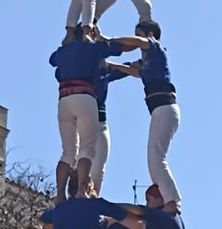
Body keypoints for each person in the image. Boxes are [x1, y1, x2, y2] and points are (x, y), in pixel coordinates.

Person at [49, 26, 146, 198]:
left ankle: (68, 194)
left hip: (69, 101)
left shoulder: (75, 56)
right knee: (88, 155)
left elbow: (54, 63)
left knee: (73, 155)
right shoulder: (96, 57)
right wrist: (143, 44)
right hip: (89, 107)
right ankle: (81, 192)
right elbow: (121, 49)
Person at [108, 19, 181, 207]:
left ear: (148, 35)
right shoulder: (149, 61)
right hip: (161, 111)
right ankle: (164, 199)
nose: (136, 41)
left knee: (157, 159)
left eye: (138, 35)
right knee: (153, 161)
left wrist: (109, 41)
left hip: (164, 108)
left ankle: (173, 202)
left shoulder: (155, 47)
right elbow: (132, 70)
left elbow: (138, 44)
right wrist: (110, 65)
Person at [91, 62, 128, 195]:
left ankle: (92, 201)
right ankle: (74, 200)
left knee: (98, 169)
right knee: (77, 164)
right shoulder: (77, 68)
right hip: (82, 122)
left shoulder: (103, 71)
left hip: (100, 122)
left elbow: (127, 69)